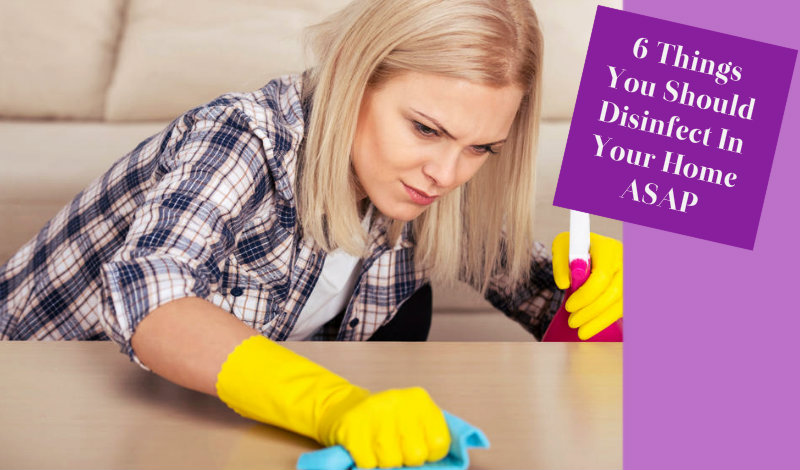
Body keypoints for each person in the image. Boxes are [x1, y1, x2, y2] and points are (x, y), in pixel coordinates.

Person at [0, 0, 623, 467]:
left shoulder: (423, 188)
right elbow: (152, 295)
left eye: (480, 146)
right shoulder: (244, 137)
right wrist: (332, 404)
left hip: (191, 424)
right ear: (355, 81)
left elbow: (543, 300)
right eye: (425, 129)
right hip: (38, 405)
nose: (447, 174)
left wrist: (613, 297)